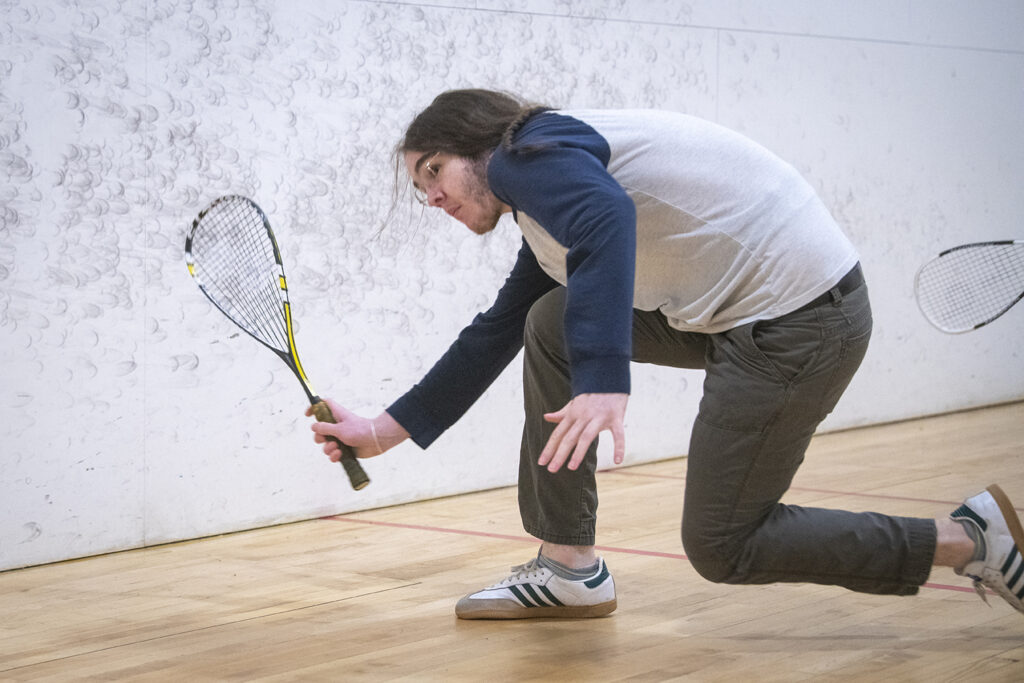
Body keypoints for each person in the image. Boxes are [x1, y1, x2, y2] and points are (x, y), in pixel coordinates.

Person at [308, 89, 1024, 620]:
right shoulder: (544, 201)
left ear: (478, 144)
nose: (431, 195)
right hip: (746, 313)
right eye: (419, 187)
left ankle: (968, 539)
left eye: (434, 170)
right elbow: (496, 329)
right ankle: (569, 568)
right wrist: (382, 429)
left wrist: (603, 379)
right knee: (546, 319)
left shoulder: (524, 157)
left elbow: (607, 217)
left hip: (804, 320)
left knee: (723, 542)